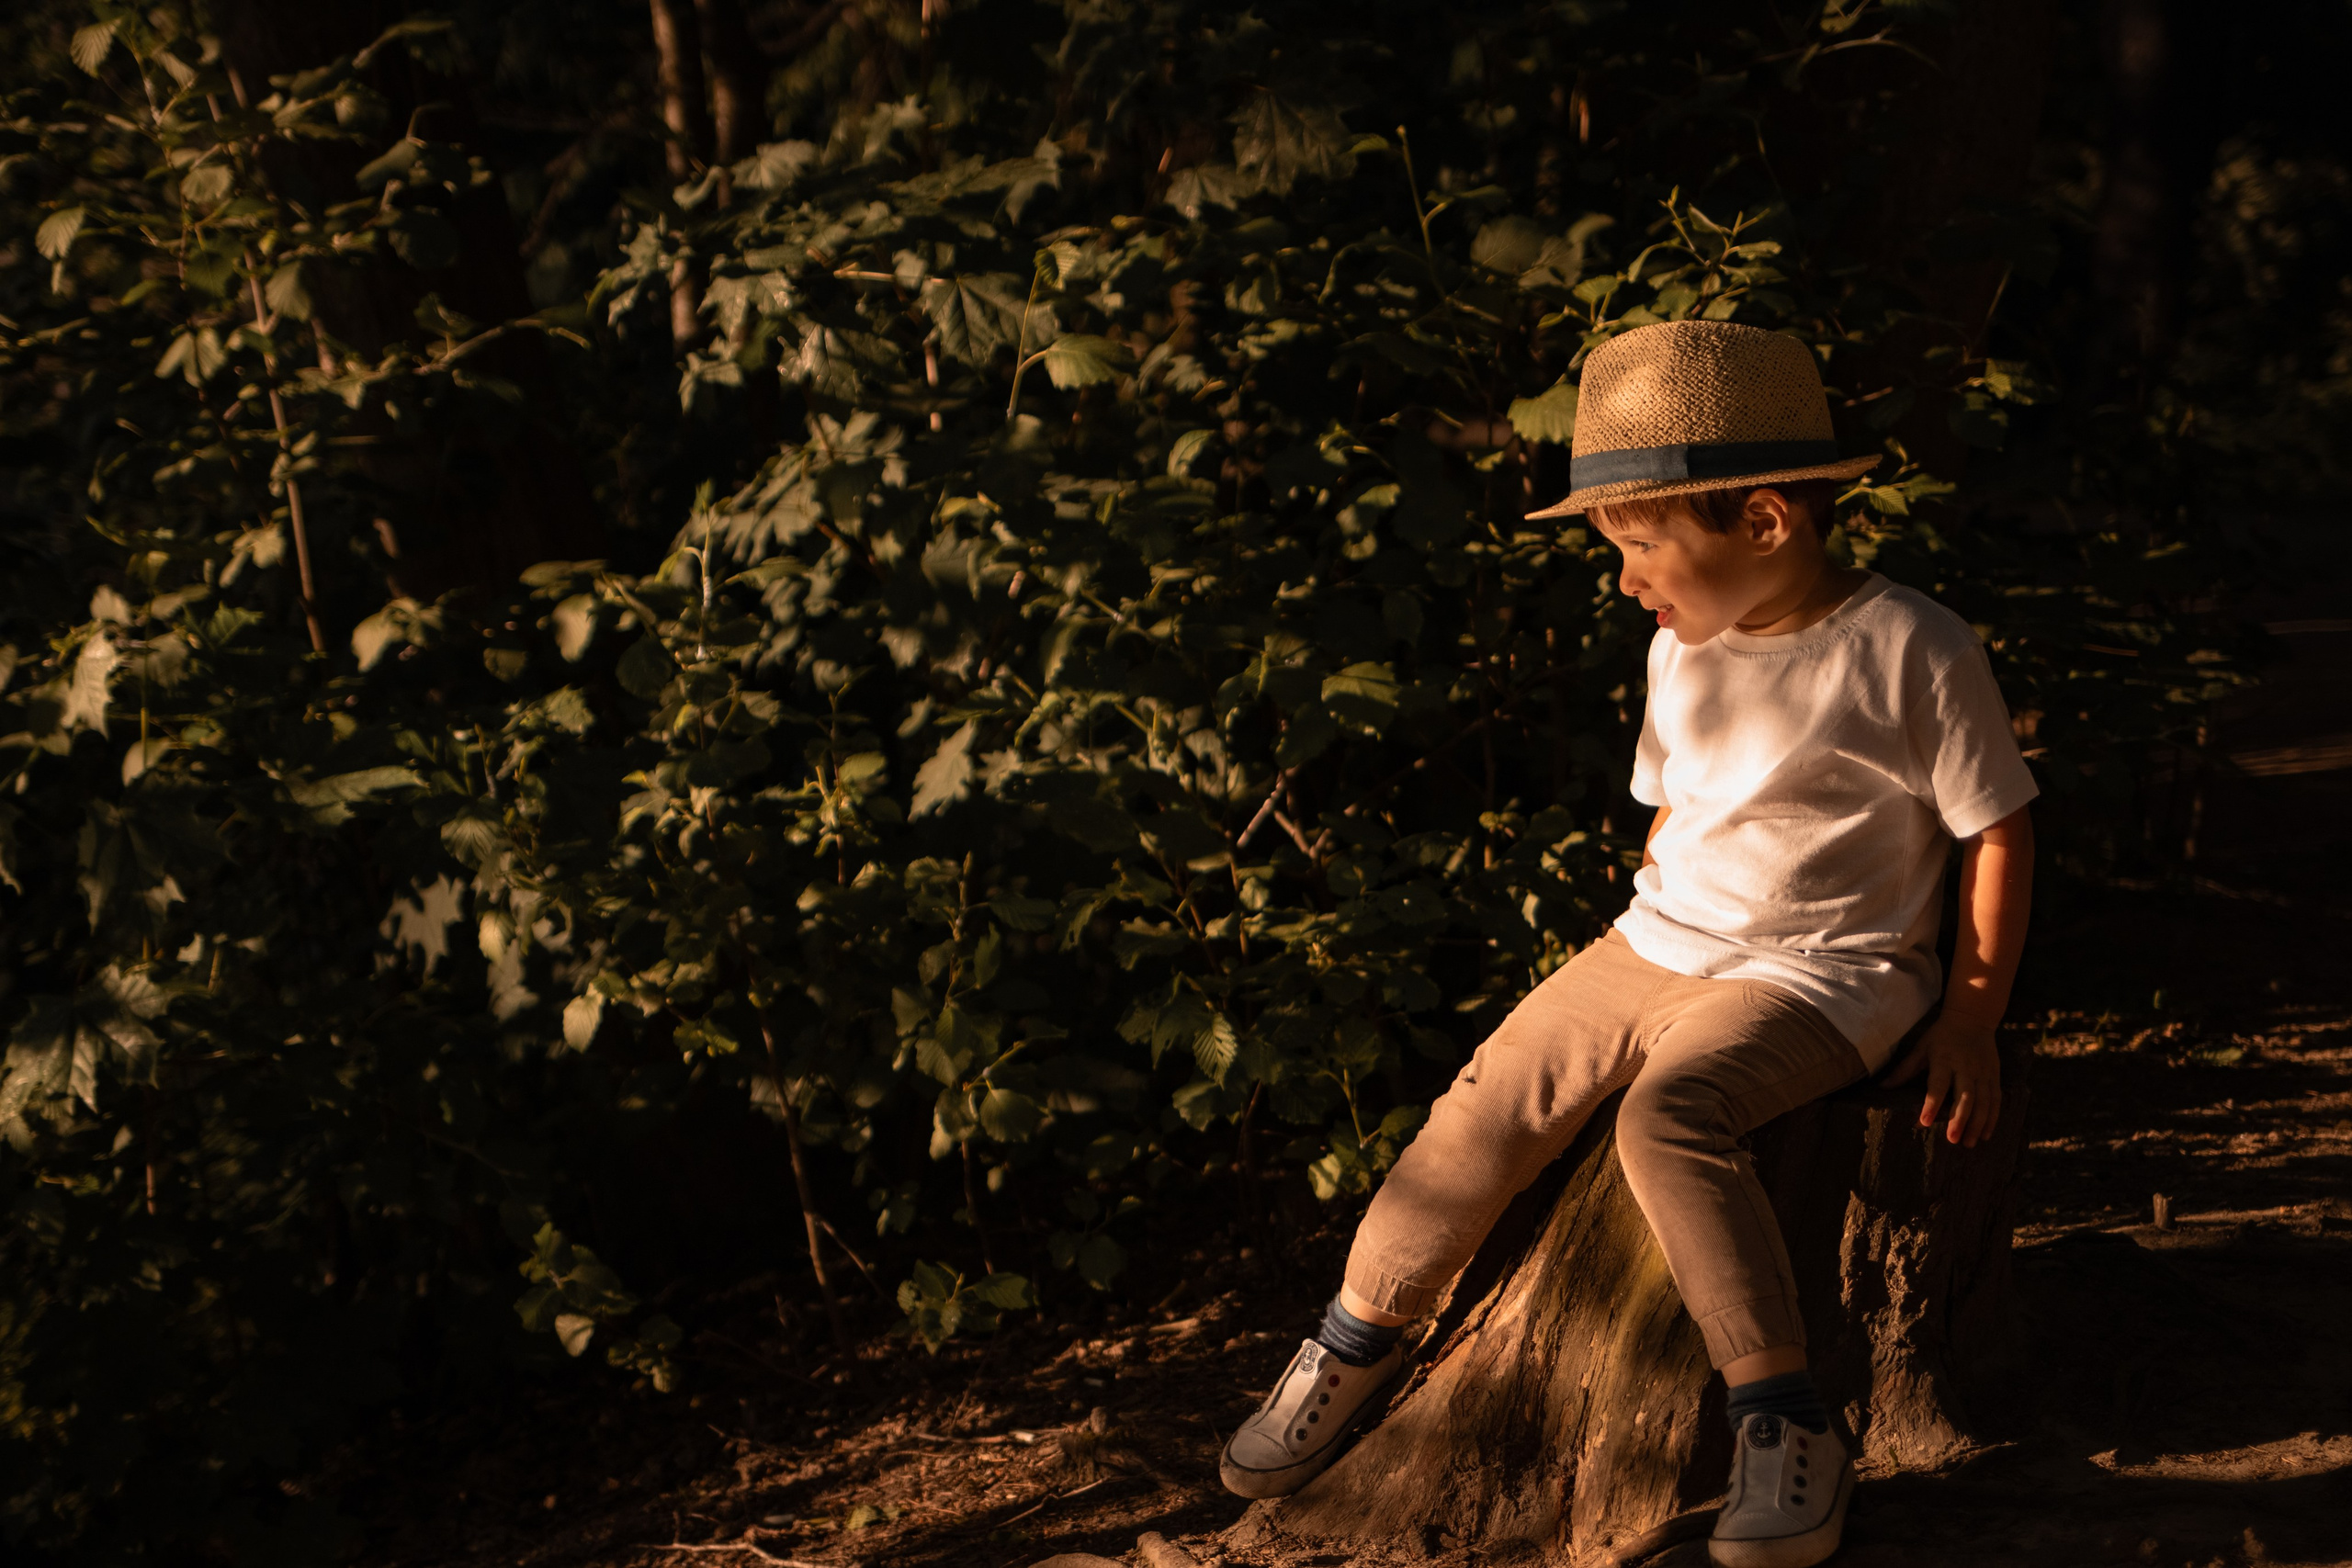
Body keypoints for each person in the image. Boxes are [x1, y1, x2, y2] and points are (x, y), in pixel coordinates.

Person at [1217, 320, 2038, 1568]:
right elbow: (1677, 803)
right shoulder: (1679, 648)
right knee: (1485, 1100)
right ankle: (1353, 1338)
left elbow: (1997, 831)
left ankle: (1781, 1415)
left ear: (1765, 521)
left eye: (1643, 544)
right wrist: (1652, 916)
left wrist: (1971, 1013)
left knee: (1671, 1121)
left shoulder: (1910, 648)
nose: (1625, 579)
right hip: (1657, 941)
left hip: (1825, 972)